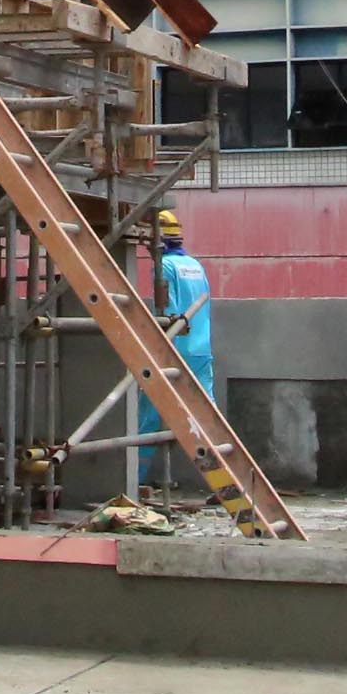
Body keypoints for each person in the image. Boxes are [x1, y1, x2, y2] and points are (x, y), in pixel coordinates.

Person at [131, 208, 218, 491]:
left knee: (149, 418)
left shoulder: (164, 267)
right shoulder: (196, 265)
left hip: (175, 350)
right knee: (207, 417)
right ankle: (226, 483)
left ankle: (134, 482)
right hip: (201, 349)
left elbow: (167, 313)